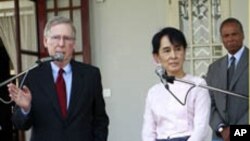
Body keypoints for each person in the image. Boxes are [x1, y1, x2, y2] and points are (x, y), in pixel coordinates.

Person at [7, 16, 109, 141]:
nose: (61, 44)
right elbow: (20, 124)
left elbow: (100, 120)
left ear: (74, 43)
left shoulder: (91, 75)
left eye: (67, 38)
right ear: (45, 41)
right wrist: (25, 109)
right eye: (56, 37)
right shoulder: (31, 75)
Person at [142, 27, 211, 141]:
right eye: (167, 50)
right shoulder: (153, 92)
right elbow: (148, 131)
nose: (173, 56)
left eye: (178, 49)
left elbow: (201, 127)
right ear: (157, 57)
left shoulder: (198, 84)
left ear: (184, 52)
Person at [206, 17, 249, 141]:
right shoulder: (213, 68)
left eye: (234, 34)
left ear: (243, 35)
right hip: (220, 135)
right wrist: (220, 128)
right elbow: (208, 102)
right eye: (226, 36)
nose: (230, 39)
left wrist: (236, 131)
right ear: (222, 39)